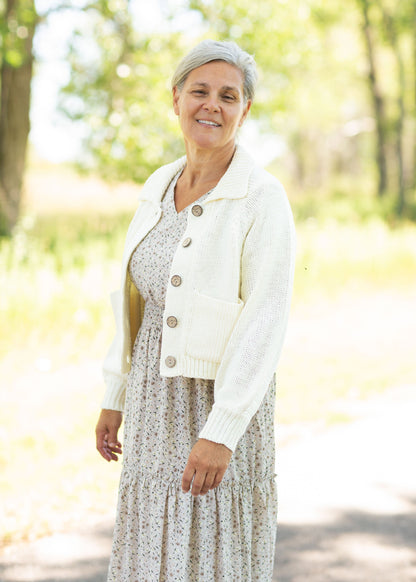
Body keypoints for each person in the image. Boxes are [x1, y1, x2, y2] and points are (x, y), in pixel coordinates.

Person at [95, 39, 296, 581]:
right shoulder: (157, 185)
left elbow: (265, 318)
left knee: (211, 551)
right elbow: (134, 301)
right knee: (152, 554)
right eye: (200, 91)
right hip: (153, 405)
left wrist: (222, 429)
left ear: (245, 110)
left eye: (228, 96)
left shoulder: (262, 196)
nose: (212, 105)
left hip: (215, 402)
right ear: (176, 98)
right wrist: (115, 394)